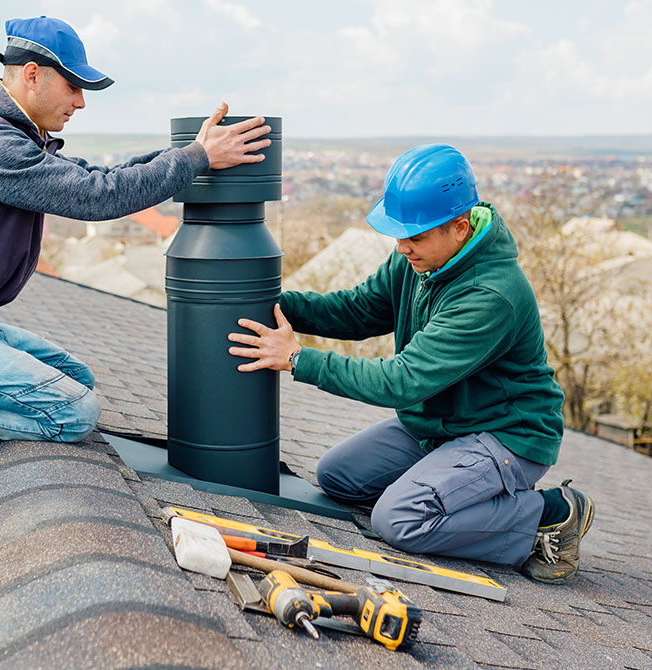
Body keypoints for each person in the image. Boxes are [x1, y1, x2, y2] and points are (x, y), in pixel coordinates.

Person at [0, 16, 270, 482]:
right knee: (74, 411)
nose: (80, 102)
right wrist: (198, 158)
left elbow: (97, 177)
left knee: (79, 380)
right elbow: (98, 197)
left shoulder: (14, 138)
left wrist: (186, 151)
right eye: (73, 86)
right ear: (32, 74)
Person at [227, 144, 594, 584]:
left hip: (505, 436)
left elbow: (401, 382)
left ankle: (548, 514)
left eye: (414, 237)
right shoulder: (421, 260)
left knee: (399, 520)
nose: (402, 248)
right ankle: (459, 492)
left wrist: (296, 359)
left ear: (460, 228)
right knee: (338, 476)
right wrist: (276, 305)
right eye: (399, 235)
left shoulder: (490, 296)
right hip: (439, 427)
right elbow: (360, 311)